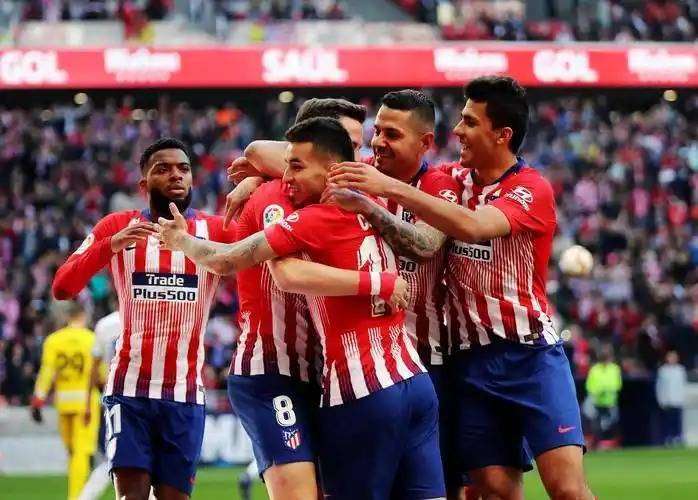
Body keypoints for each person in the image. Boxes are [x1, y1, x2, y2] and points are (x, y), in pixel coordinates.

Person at [328, 76, 593, 499]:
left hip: (529, 355)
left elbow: (472, 226)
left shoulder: (531, 189)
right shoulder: (451, 181)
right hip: (469, 362)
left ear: (502, 134)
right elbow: (311, 154)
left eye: (470, 122)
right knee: (492, 488)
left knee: (567, 489)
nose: (458, 130)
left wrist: (386, 186)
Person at [157, 117, 445, 499]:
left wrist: (181, 241)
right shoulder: (372, 203)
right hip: (401, 379)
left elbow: (251, 265)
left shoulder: (319, 215)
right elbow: (260, 155)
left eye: (295, 166)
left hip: (358, 386)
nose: (287, 176)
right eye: (286, 164)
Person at [230, 92, 466, 497]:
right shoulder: (285, 194)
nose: (364, 154)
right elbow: (284, 270)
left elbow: (426, 244)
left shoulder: (385, 186)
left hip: (399, 364)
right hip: (283, 368)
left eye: (361, 145)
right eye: (353, 145)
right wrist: (378, 283)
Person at [52, 137, 238, 500]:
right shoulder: (118, 225)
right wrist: (110, 245)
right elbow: (62, 287)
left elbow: (264, 251)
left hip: (184, 394)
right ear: (143, 184)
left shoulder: (215, 230)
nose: (176, 175)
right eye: (163, 169)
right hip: (128, 392)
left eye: (183, 169)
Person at [31, 301, 100, 500]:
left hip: (64, 402)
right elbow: (101, 372)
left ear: (67, 317)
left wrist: (38, 399)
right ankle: (77, 496)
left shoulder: (54, 340)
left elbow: (47, 372)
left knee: (71, 451)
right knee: (81, 452)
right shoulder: (91, 339)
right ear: (83, 316)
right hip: (86, 404)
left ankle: (77, 492)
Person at [585, 344, 622, 449]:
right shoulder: (595, 369)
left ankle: (612, 443)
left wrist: (605, 389)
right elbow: (590, 385)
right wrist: (598, 392)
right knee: (596, 425)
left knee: (612, 423)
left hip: (610, 402)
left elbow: (617, 384)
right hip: (597, 402)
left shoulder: (615, 369)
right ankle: (598, 443)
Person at [656, 350, 687, 446]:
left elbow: (683, 385)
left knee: (677, 421)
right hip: (667, 400)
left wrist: (683, 397)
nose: (672, 359)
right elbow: (659, 386)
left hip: (678, 399)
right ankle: (668, 438)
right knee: (667, 420)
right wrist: (661, 399)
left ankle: (678, 438)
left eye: (674, 357)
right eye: (670, 357)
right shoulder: (663, 370)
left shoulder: (680, 370)